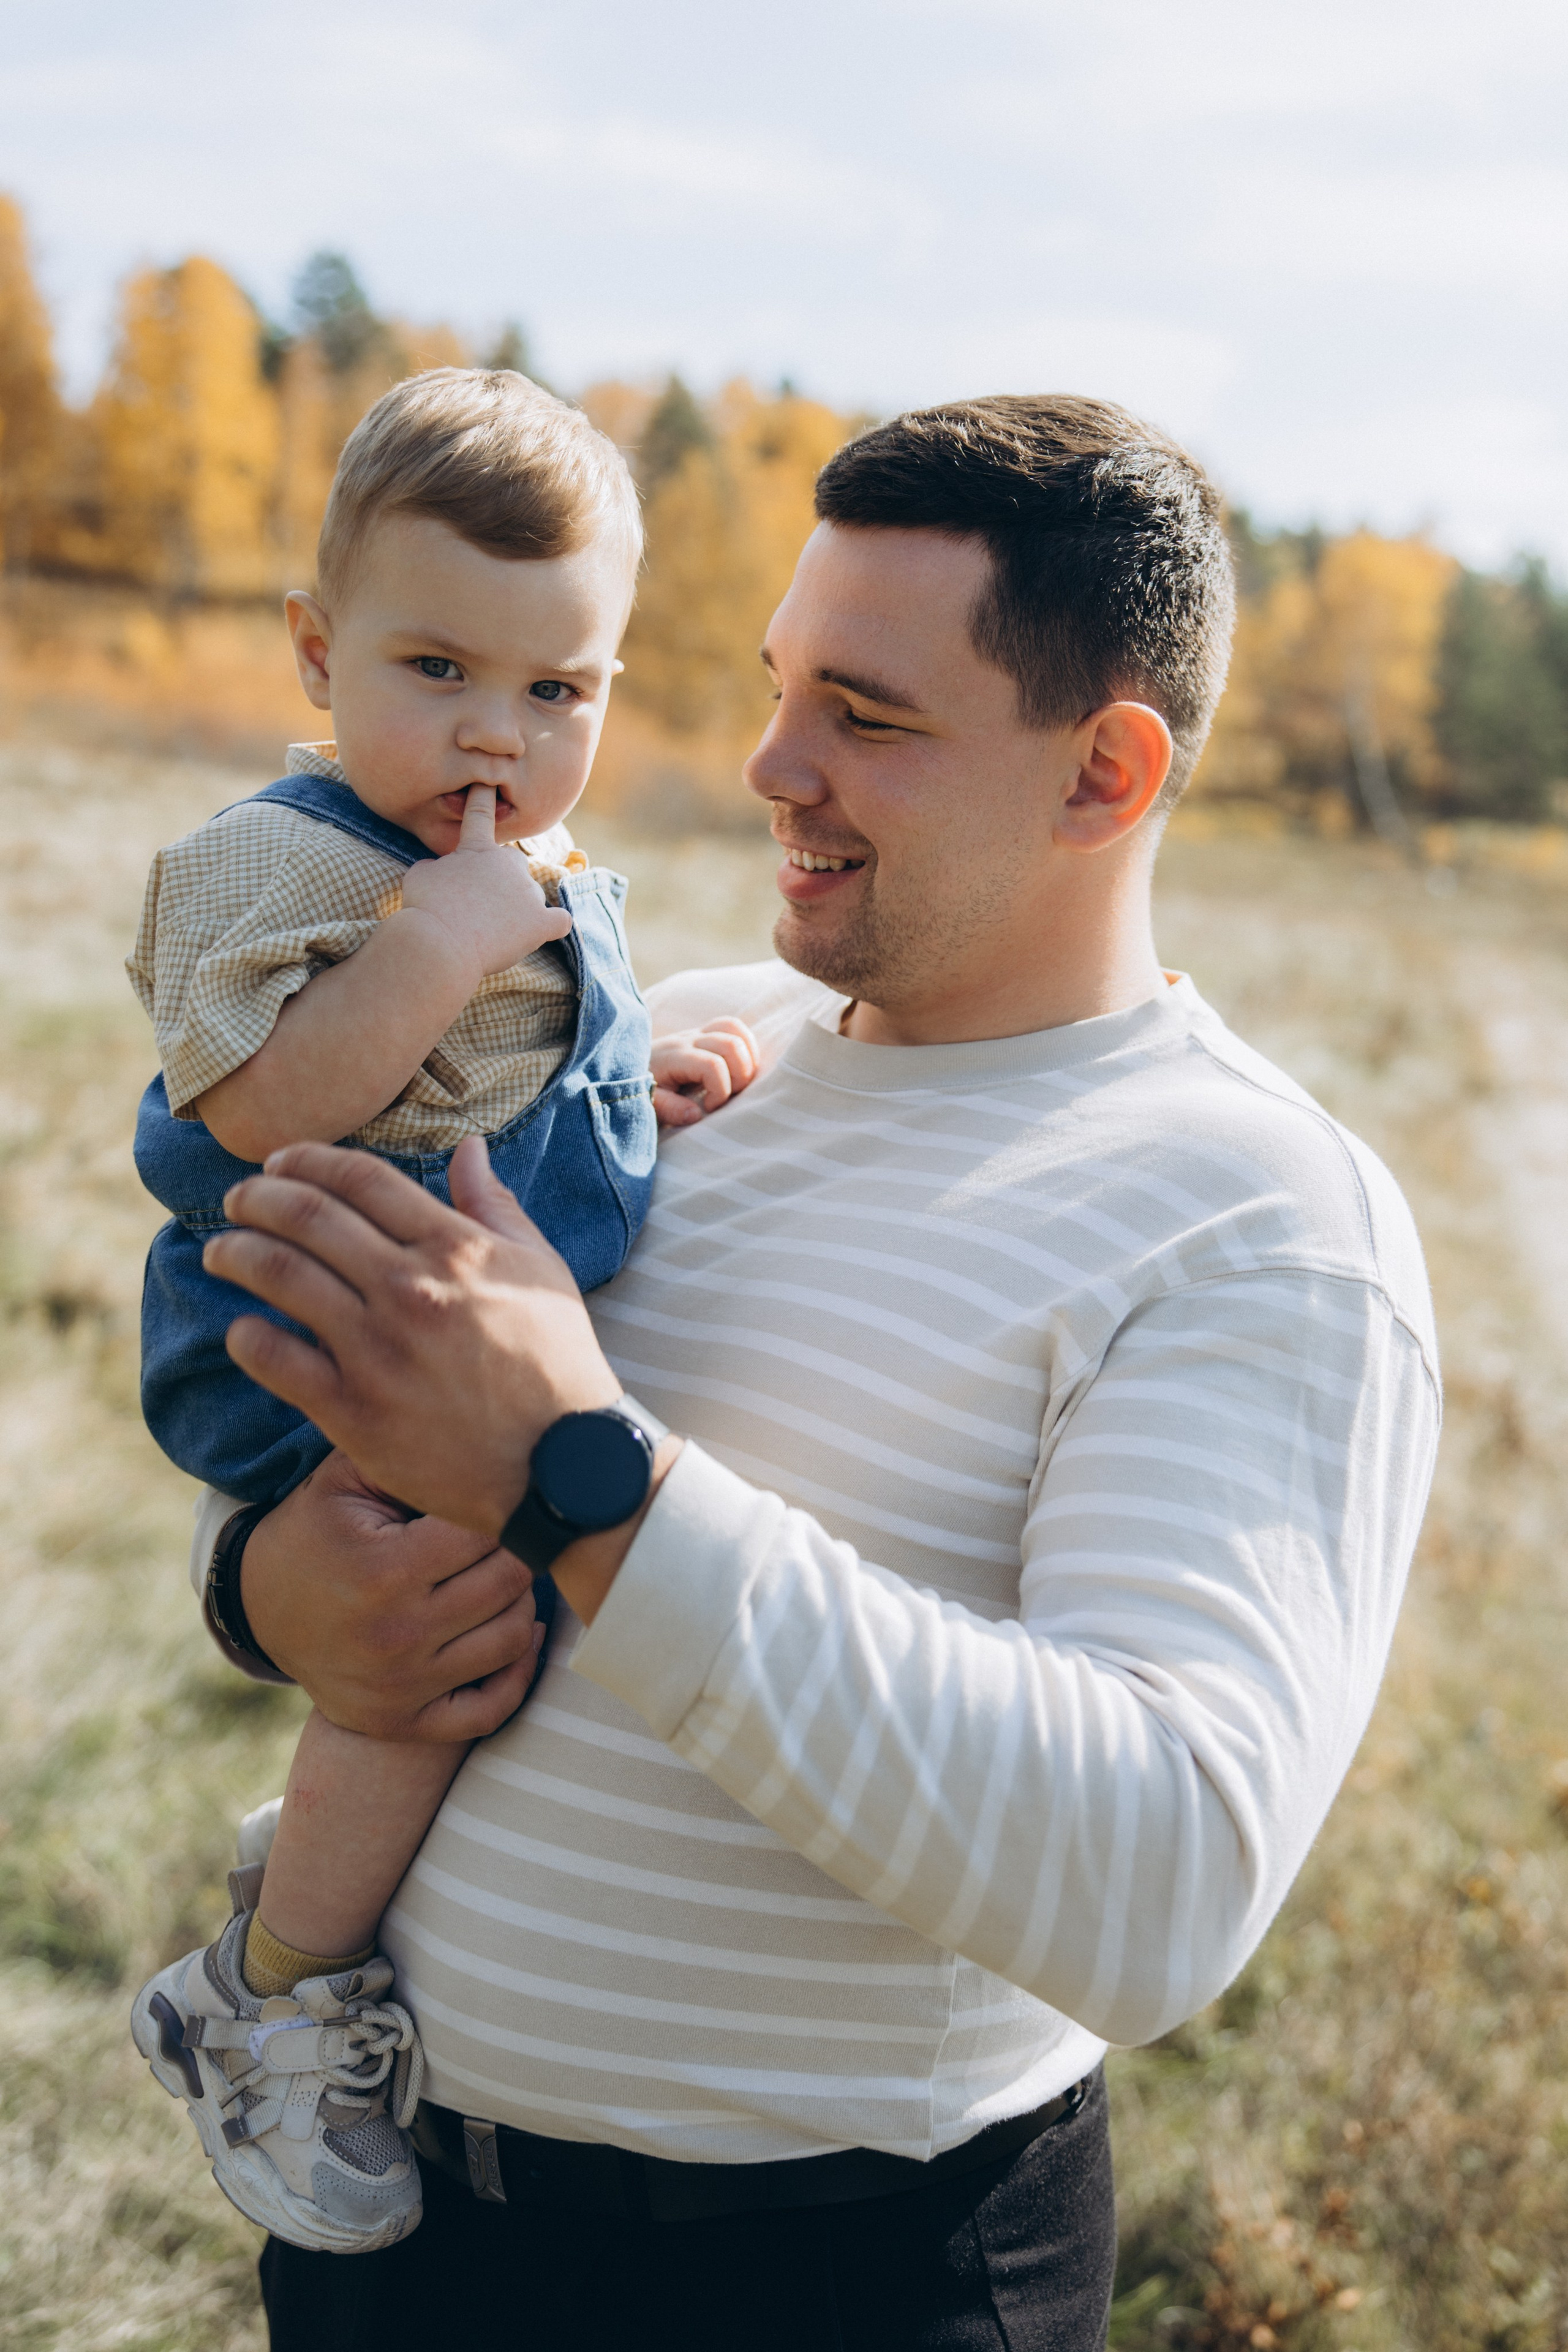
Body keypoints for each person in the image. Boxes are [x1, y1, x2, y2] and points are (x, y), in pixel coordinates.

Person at [190, 398, 1440, 2351]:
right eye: (781, 687)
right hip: (401, 2228)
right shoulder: (668, 1046)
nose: (771, 764)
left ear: (1105, 773)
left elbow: (1165, 1889)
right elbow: (333, 1434)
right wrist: (273, 1590)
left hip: (825, 2279)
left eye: (865, 715)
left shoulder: (1261, 1218)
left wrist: (581, 1476)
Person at [126, 365, 758, 2256]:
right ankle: (269, 1995)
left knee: (480, 1640)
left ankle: (329, 1870)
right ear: (319, 653)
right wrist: (433, 944)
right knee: (439, 1637)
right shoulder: (291, 859)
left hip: (436, 1315)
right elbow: (263, 1107)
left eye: (557, 691)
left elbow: (500, 1089)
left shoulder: (526, 872)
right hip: (319, 1329)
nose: (498, 730)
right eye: (436, 670)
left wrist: (633, 1096)